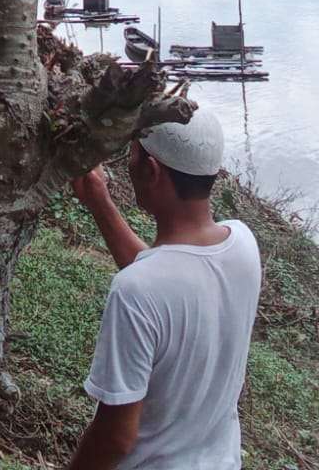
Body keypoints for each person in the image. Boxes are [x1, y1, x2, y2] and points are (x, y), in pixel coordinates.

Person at [66, 109, 261, 470]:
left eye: (134, 154)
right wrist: (99, 201)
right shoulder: (243, 244)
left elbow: (115, 438)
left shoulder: (135, 292)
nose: (129, 162)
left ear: (152, 171)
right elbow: (168, 277)